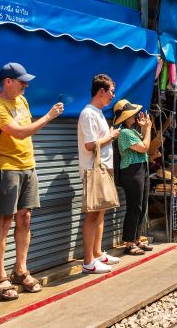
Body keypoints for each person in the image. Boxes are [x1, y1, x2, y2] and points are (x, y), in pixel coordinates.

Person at [0, 63, 64, 300]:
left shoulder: (22, 101)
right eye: (21, 82)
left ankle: (20, 269)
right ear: (7, 81)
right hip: (6, 167)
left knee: (25, 219)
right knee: (5, 221)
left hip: (29, 166)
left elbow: (26, 131)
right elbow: (18, 132)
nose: (26, 86)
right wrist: (49, 116)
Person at [77, 75, 121, 274]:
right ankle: (88, 261)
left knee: (100, 212)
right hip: (93, 169)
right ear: (101, 91)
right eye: (111, 91)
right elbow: (89, 145)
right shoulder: (88, 113)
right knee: (93, 214)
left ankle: (97, 253)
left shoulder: (98, 112)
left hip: (103, 167)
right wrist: (109, 136)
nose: (113, 95)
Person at [114, 99, 153, 256]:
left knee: (142, 206)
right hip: (131, 171)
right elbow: (144, 147)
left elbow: (144, 143)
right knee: (134, 207)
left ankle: (136, 239)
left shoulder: (133, 131)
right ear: (125, 117)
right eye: (132, 114)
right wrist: (148, 128)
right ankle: (129, 243)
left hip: (141, 169)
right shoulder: (124, 133)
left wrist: (144, 128)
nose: (136, 116)